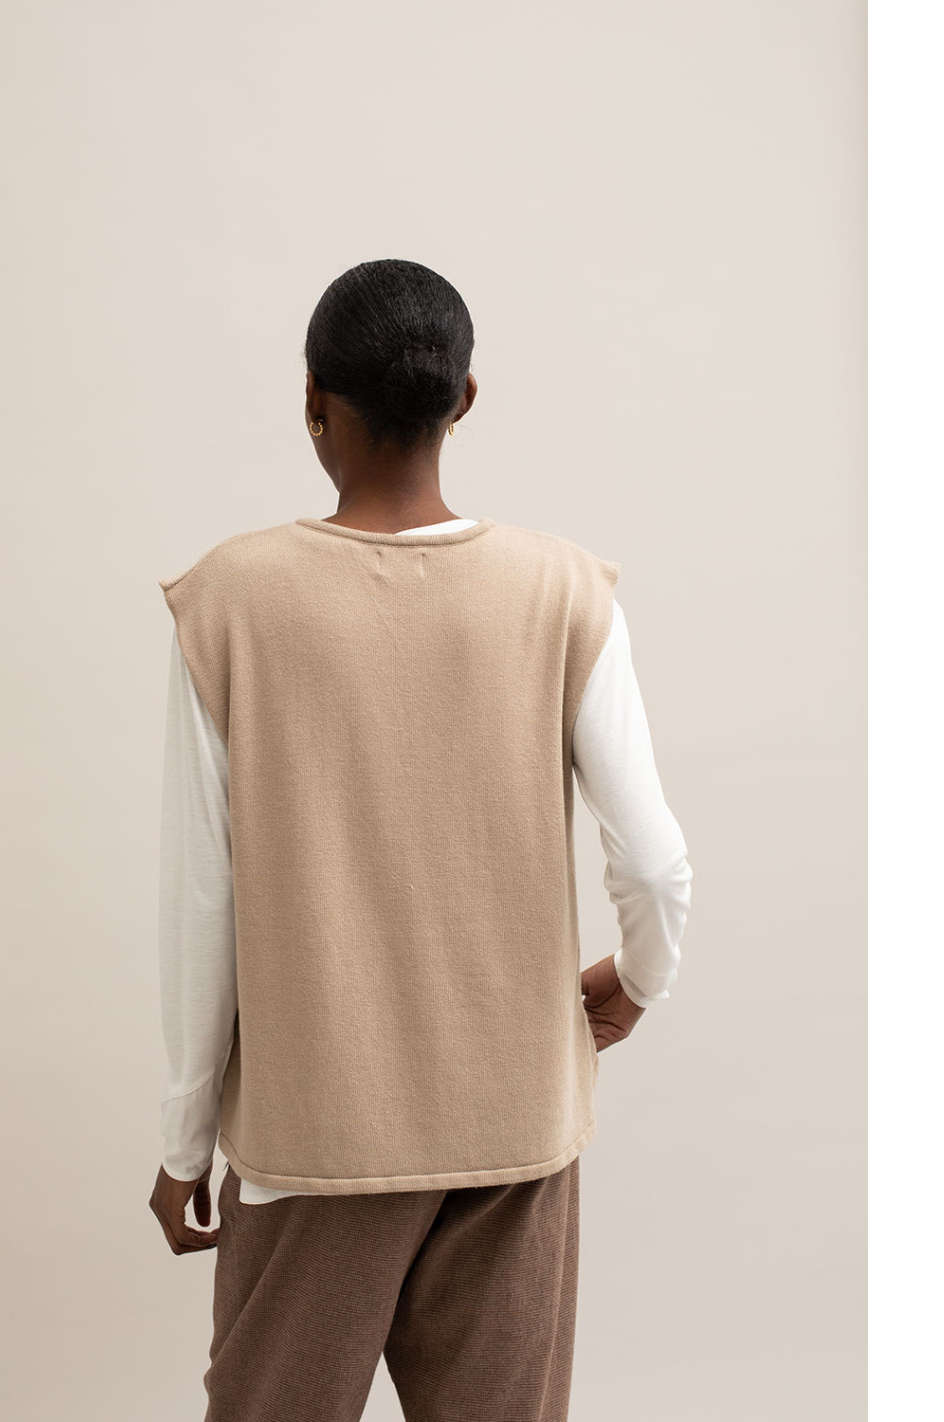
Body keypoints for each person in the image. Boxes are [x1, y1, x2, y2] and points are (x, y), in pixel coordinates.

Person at [147, 258, 692, 1421]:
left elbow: (203, 903)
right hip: (513, 1122)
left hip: (312, 1134)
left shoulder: (230, 602)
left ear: (313, 399)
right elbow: (651, 860)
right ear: (464, 397)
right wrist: (639, 980)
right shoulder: (565, 592)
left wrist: (186, 1144)